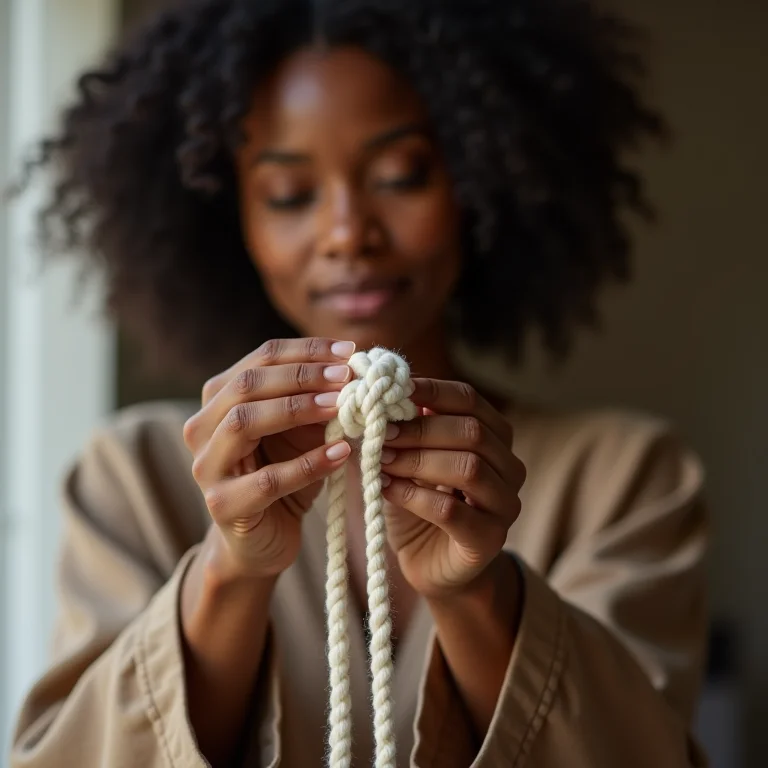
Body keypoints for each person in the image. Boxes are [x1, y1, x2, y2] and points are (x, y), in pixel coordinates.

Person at [9, 0, 709, 766]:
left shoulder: (624, 477)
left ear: (478, 184)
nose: (348, 232)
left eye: (401, 175)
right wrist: (230, 573)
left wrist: (476, 593)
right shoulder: (135, 477)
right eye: (289, 195)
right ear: (227, 215)